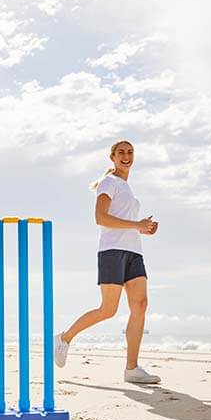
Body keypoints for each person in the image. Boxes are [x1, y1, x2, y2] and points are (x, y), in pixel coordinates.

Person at [54, 139, 161, 384]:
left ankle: (132, 368)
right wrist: (137, 225)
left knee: (140, 305)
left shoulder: (127, 188)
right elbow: (100, 218)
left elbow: (124, 222)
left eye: (130, 152)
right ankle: (64, 338)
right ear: (112, 157)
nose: (126, 156)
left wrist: (143, 229)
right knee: (108, 310)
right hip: (112, 251)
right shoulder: (109, 182)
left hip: (134, 251)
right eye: (121, 152)